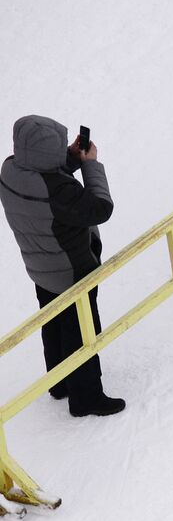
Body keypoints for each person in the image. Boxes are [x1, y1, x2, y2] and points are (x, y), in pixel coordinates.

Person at [0, 116, 124, 417]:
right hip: (72, 270)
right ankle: (86, 398)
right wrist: (91, 164)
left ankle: (59, 382)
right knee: (81, 330)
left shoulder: (10, 169)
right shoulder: (58, 192)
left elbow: (47, 179)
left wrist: (68, 158)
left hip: (41, 265)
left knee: (53, 322)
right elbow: (100, 208)